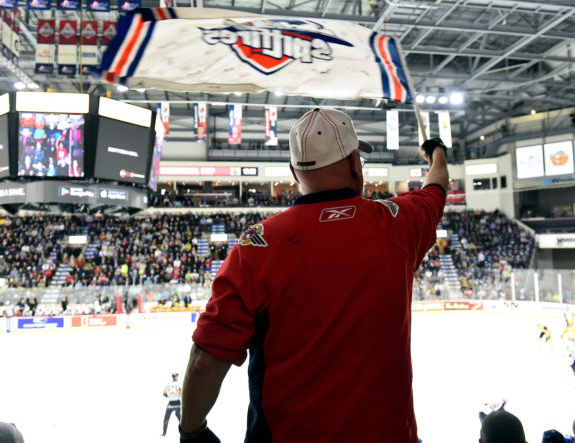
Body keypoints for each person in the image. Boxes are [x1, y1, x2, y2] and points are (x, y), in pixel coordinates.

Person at [180, 108, 449, 442]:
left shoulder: (257, 245)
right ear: (354, 161)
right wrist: (436, 151)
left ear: (294, 172)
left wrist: (192, 431)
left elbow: (206, 359)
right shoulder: (397, 223)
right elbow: (436, 187)